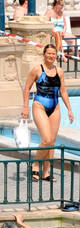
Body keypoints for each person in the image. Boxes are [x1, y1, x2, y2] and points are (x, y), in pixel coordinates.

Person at [22, 43, 73, 180]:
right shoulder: (37, 70)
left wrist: (69, 109)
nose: (51, 56)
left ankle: (46, 172)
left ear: (56, 55)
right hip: (40, 105)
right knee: (46, 139)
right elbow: (27, 88)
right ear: (44, 54)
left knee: (52, 141)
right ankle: (35, 165)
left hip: (55, 107)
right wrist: (25, 107)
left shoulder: (60, 71)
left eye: (53, 54)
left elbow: (63, 91)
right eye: (49, 53)